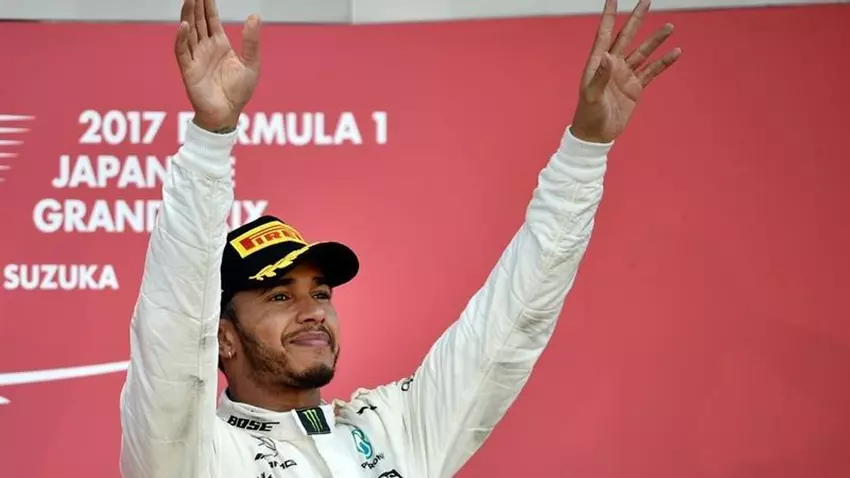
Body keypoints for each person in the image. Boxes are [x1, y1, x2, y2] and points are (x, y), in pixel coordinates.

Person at [118, 0, 680, 476]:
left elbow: (511, 323)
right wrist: (211, 140)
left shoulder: (393, 426)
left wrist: (585, 152)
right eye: (280, 295)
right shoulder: (193, 455)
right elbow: (173, 324)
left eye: (321, 293)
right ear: (222, 338)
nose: (314, 312)